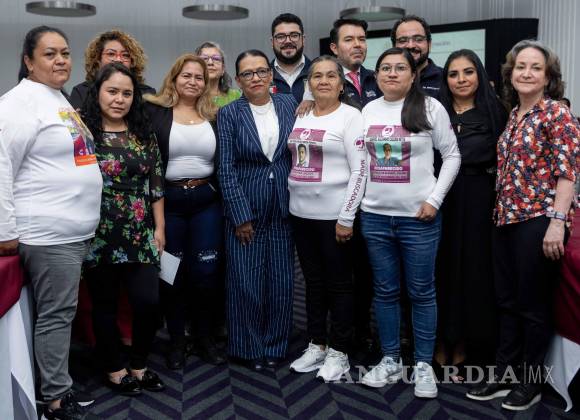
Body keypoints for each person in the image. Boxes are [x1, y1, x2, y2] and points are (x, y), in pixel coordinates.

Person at [466, 40, 579, 411]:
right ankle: (504, 374)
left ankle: (530, 382)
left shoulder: (557, 113)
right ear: (510, 73)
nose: (526, 73)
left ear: (548, 77)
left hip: (538, 220)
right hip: (505, 218)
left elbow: (567, 173)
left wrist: (557, 223)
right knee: (506, 301)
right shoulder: (514, 114)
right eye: (520, 67)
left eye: (535, 68)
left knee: (532, 305)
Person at [0, 26, 103, 420]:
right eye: (49, 54)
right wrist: (5, 231)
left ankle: (55, 386)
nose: (61, 60)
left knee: (60, 313)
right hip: (46, 232)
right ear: (28, 61)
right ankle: (56, 400)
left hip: (72, 232)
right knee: (57, 316)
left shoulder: (56, 98)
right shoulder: (19, 103)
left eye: (65, 52)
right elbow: (2, 167)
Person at [359, 48, 460, 398]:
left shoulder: (430, 107)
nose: (392, 73)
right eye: (385, 68)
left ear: (413, 74)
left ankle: (423, 365)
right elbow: (361, 162)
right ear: (376, 75)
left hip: (419, 220)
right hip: (375, 218)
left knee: (421, 292)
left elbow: (452, 155)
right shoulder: (368, 110)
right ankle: (390, 359)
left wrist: (435, 200)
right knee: (385, 292)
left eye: (400, 67)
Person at [81, 63, 165, 397]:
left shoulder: (143, 133)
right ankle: (115, 369)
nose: (119, 99)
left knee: (148, 302)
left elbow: (156, 184)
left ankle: (139, 365)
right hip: (98, 232)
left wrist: (160, 228)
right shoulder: (84, 134)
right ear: (98, 93)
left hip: (140, 232)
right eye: (112, 91)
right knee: (104, 305)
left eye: (127, 93)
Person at [217, 50, 298, 371]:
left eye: (261, 71)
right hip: (246, 208)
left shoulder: (289, 104)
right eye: (248, 73)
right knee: (245, 281)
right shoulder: (229, 113)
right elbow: (225, 168)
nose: (256, 78)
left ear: (271, 74)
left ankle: (276, 344)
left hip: (283, 206)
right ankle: (248, 347)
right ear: (238, 80)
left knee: (282, 280)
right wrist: (240, 215)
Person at [287, 55, 366, 381]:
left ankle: (339, 351)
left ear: (341, 83)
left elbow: (360, 170)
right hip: (300, 215)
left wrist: (347, 217)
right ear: (309, 83)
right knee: (313, 284)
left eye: (330, 76)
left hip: (335, 218)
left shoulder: (351, 117)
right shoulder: (301, 114)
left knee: (339, 285)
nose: (323, 81)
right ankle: (317, 343)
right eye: (316, 76)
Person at [144, 54, 226, 368]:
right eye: (186, 75)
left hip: (206, 201)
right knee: (171, 274)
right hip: (169, 202)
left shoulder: (214, 115)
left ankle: (204, 337)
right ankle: (177, 340)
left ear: (206, 83)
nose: (192, 81)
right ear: (174, 78)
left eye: (199, 77)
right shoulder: (154, 112)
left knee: (206, 272)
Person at [435, 49, 508, 378]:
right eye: (453, 74)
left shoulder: (497, 112)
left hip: (480, 200)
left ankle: (466, 342)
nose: (461, 79)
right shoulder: (434, 110)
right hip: (439, 198)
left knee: (474, 272)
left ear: (479, 74)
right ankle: (440, 340)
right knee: (441, 269)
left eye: (468, 72)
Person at [70, 29, 155, 109]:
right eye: (111, 54)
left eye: (125, 55)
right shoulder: (81, 92)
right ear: (98, 60)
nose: (118, 59)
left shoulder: (147, 94)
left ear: (132, 62)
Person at [390, 15, 443, 97]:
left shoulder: (446, 78)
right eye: (403, 40)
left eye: (418, 39)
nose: (410, 45)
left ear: (429, 44)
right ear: (394, 47)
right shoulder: (384, 81)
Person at [270, 13, 311, 103]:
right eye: (281, 37)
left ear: (303, 39)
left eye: (294, 35)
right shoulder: (262, 77)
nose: (288, 41)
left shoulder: (317, 72)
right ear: (272, 42)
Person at [194, 41, 241, 107]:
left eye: (216, 59)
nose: (210, 63)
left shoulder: (236, 96)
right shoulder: (190, 96)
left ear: (223, 69)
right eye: (204, 58)